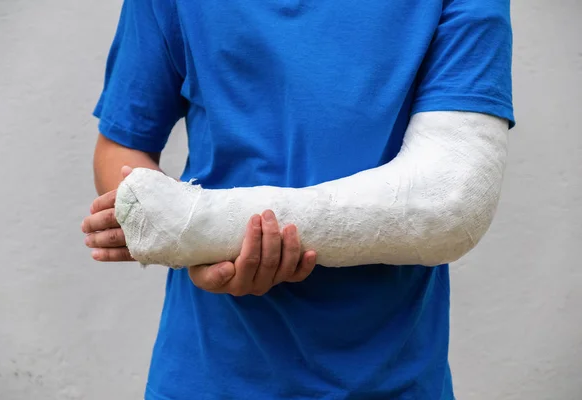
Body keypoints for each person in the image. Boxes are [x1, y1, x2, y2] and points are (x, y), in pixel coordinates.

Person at [81, 0, 515, 398]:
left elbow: (450, 200)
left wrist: (200, 230)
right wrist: (181, 238)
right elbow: (121, 145)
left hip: (394, 378)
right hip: (211, 372)